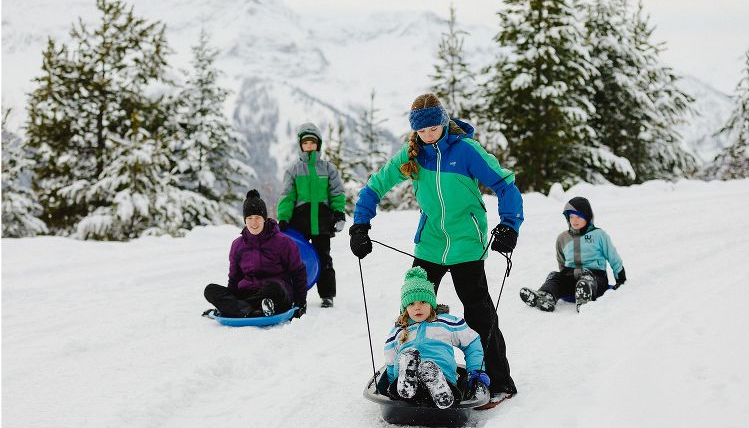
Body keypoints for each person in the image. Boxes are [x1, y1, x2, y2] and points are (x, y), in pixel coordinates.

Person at [350, 92, 523, 408]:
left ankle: (499, 382)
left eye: (434, 129)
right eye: (422, 131)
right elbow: (374, 186)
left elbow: (506, 185)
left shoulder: (466, 151)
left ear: (444, 122)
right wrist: (360, 225)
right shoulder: (412, 154)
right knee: (413, 310)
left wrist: (510, 224)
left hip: (466, 244)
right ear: (415, 130)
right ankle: (409, 371)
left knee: (479, 313)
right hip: (429, 243)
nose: (429, 136)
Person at [384, 267, 489, 409]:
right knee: (401, 386)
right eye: (411, 303)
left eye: (423, 302)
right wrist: (390, 382)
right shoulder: (399, 329)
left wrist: (476, 371)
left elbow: (472, 342)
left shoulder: (446, 322)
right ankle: (408, 377)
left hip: (442, 374)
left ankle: (436, 383)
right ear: (405, 308)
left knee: (444, 384)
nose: (417, 308)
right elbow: (390, 363)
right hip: (404, 383)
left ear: (432, 303)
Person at [204, 189, 308, 318]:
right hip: (246, 294)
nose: (254, 222)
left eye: (258, 218)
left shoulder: (283, 242)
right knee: (210, 290)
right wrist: (227, 299)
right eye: (249, 218)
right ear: (245, 220)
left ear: (264, 218)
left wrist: (300, 303)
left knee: (274, 287)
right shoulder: (238, 245)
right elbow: (234, 278)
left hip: (275, 293)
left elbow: (298, 272)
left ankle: (242, 309)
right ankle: (253, 310)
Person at [277, 122, 346, 309]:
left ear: (318, 145)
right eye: (305, 143)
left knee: (324, 258)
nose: (309, 146)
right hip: (299, 223)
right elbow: (287, 195)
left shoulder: (328, 169)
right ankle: (294, 292)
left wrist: (339, 213)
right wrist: (283, 217)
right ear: (300, 145)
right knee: (296, 259)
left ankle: (327, 295)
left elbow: (337, 193)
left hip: (322, 223)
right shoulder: (294, 170)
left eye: (312, 143)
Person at [519, 196, 626, 312]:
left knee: (587, 279)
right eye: (571, 217)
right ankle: (546, 296)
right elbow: (561, 262)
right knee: (554, 276)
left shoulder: (599, 235)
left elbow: (613, 257)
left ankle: (585, 295)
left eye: (578, 217)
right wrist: (563, 277)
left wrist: (620, 280)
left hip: (596, 278)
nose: (574, 220)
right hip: (572, 277)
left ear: (587, 217)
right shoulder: (562, 238)